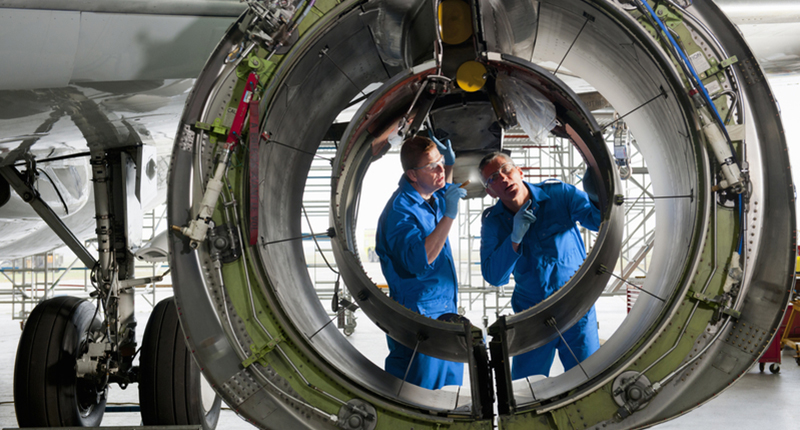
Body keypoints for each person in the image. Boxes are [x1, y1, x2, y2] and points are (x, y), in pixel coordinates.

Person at [478, 152, 601, 379]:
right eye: (493, 178)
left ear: (519, 172)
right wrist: (514, 239)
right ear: (490, 191)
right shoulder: (493, 222)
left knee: (588, 379)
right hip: (531, 315)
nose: (503, 178)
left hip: (575, 308)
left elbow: (597, 220)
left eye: (506, 169)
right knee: (526, 390)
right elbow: (494, 276)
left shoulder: (559, 195)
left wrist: (597, 188)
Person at [375, 133, 467, 390]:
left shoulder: (429, 196)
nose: (440, 170)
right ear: (413, 175)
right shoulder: (400, 213)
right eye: (432, 166)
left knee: (448, 394)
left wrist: (448, 165)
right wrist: (449, 216)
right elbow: (420, 261)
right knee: (420, 395)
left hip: (441, 308)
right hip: (420, 316)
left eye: (440, 162)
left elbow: (441, 188)